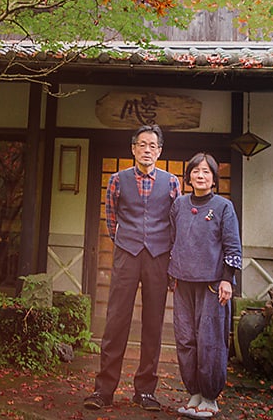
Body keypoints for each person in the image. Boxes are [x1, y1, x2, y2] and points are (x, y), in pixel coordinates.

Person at [83, 125, 181, 412]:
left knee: (153, 324)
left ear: (160, 151)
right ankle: (103, 390)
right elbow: (111, 220)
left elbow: (176, 223)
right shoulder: (117, 180)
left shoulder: (172, 182)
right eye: (142, 144)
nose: (147, 149)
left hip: (159, 256)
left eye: (153, 145)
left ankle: (146, 391)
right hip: (126, 255)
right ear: (133, 148)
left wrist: (167, 254)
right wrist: (127, 241)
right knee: (116, 321)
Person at [169, 152, 242, 419]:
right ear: (188, 176)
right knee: (186, 340)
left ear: (214, 178)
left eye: (206, 171)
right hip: (182, 281)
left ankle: (210, 397)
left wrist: (227, 278)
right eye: (195, 171)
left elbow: (232, 245)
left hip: (212, 284)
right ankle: (194, 393)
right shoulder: (178, 204)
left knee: (209, 341)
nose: (200, 176)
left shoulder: (223, 206)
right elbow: (172, 239)